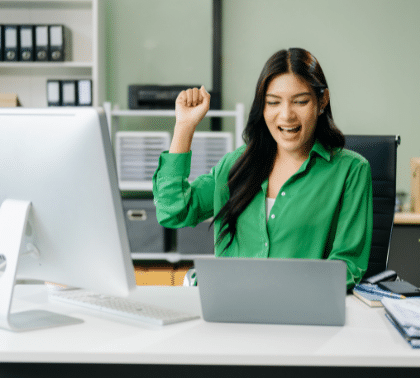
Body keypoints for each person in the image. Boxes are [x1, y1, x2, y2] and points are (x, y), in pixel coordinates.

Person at [152, 48, 373, 290]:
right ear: (263, 107)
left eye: (300, 101)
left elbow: (347, 267)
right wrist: (184, 127)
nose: (286, 115)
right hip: (232, 312)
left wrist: (281, 293)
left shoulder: (351, 171)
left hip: (302, 316)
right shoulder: (236, 164)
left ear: (322, 101)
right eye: (273, 102)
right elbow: (173, 211)